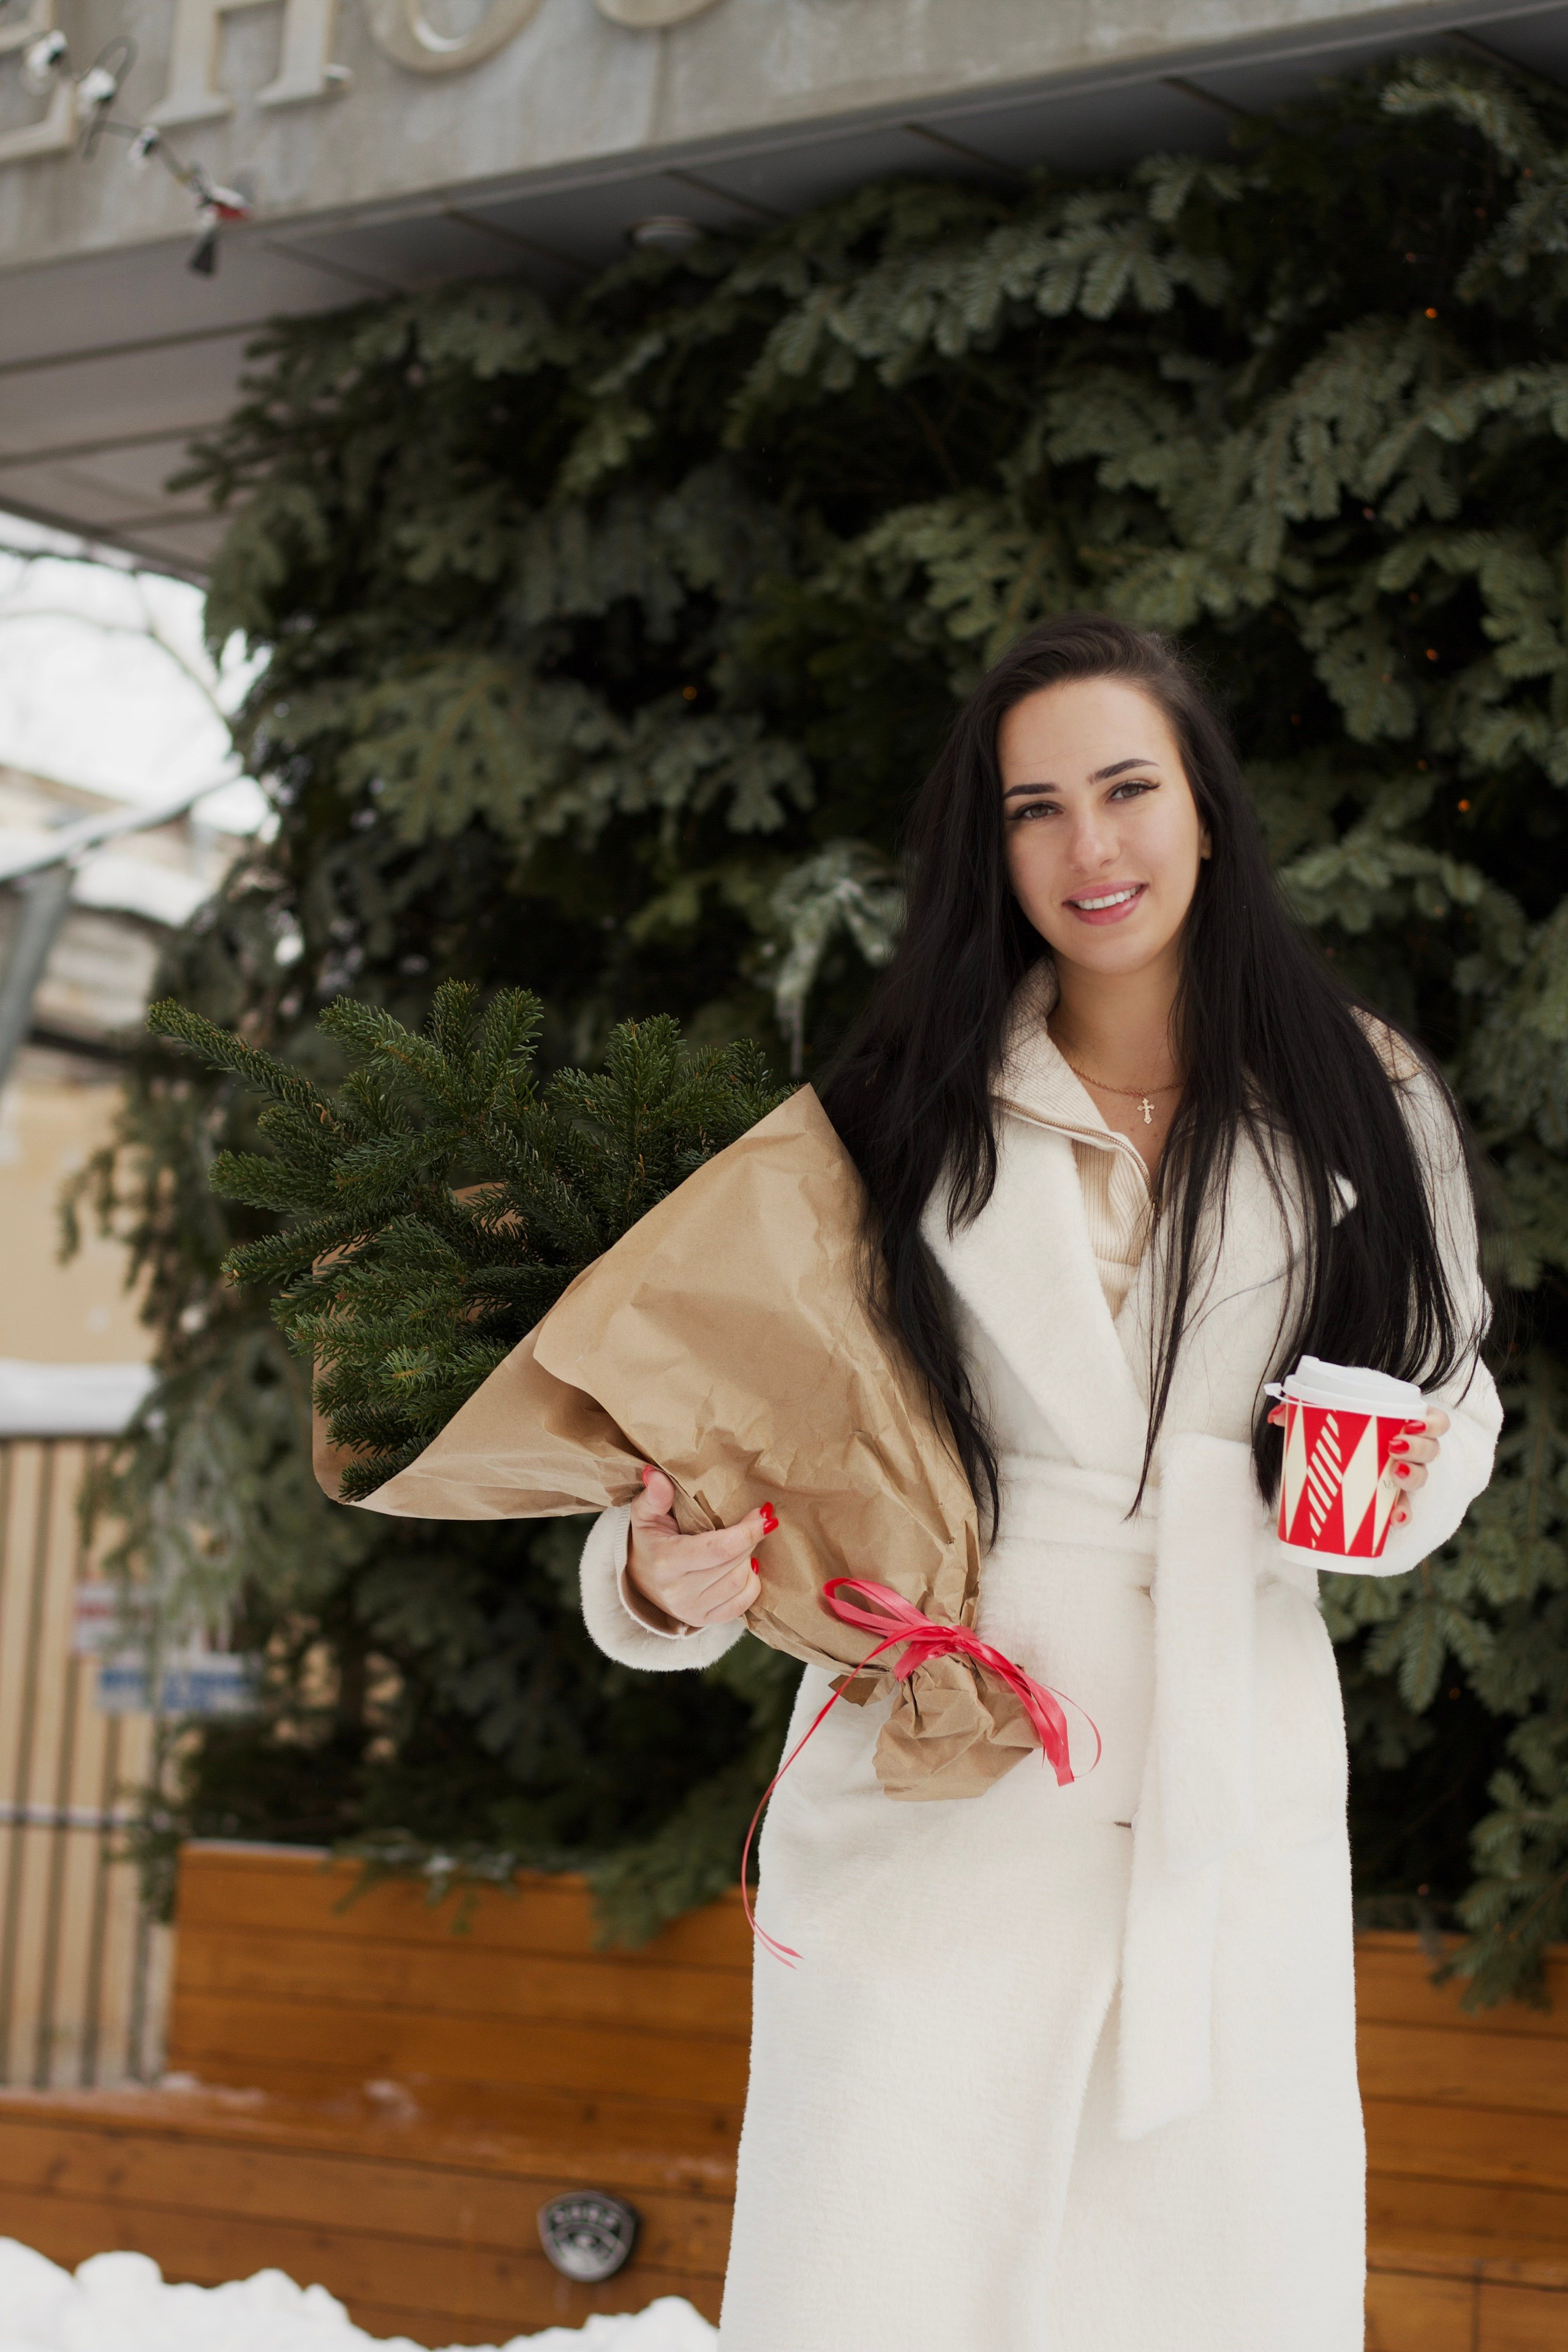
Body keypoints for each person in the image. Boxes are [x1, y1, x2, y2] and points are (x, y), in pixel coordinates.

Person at [575, 616, 1501, 2351]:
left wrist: (1371, 1493)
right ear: (990, 847)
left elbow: (1450, 1392)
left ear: (1205, 807)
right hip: (943, 1779)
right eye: (1036, 808)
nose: (1093, 847)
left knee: (1202, 2296)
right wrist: (651, 1579)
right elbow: (731, 1433)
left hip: (1225, 1793)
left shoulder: (1364, 1095)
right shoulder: (887, 1117)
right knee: (888, 2287)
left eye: (1129, 789)